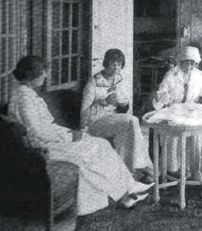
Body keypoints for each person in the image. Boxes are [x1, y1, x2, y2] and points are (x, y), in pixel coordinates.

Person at [8, 56, 152, 215]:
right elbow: (37, 132)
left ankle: (127, 187)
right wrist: (69, 136)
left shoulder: (27, 94)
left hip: (51, 140)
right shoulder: (24, 98)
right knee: (95, 149)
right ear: (33, 74)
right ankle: (124, 194)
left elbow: (46, 127)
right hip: (43, 149)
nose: (46, 76)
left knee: (100, 145)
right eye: (43, 73)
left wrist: (70, 132)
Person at [81, 49, 154, 182]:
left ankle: (128, 172)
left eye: (119, 65)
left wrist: (123, 102)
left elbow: (124, 107)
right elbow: (84, 112)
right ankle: (142, 167)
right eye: (113, 64)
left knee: (129, 128)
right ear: (105, 63)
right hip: (95, 122)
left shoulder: (118, 79)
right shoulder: (93, 83)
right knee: (132, 121)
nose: (116, 68)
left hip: (112, 119)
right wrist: (103, 102)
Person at [152, 46, 202, 180]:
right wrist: (161, 98)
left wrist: (200, 105)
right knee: (174, 130)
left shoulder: (199, 75)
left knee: (196, 132)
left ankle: (194, 169)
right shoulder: (171, 75)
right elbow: (161, 97)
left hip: (192, 111)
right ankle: (172, 169)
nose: (190, 66)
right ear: (180, 61)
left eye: (193, 63)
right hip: (174, 111)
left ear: (196, 63)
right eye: (186, 62)